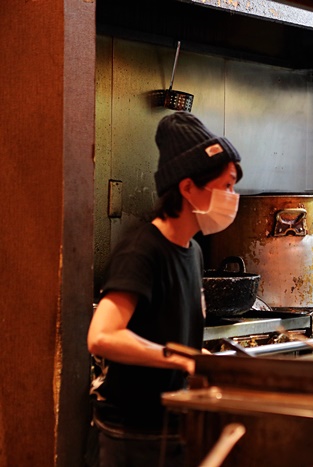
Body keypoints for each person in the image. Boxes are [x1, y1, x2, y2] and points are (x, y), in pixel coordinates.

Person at [87, 111, 243, 467]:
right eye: (226, 186)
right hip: (133, 435)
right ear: (187, 188)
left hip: (175, 425)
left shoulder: (193, 251)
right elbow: (102, 336)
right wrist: (181, 358)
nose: (233, 197)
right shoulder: (142, 249)